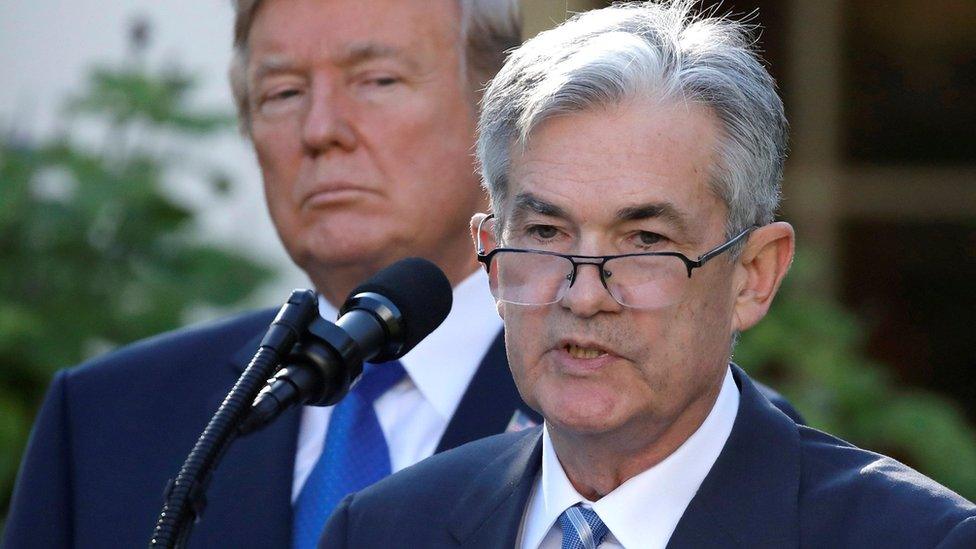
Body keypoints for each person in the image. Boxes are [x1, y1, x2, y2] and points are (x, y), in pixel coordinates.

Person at [2, 1, 799, 548]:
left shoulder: (654, 415)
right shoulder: (107, 420)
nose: (321, 131)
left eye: (375, 80)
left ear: (498, 107)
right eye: (281, 91)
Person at [318, 2, 976, 548]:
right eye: (546, 234)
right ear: (491, 257)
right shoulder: (383, 528)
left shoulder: (914, 537)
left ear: (753, 274)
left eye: (645, 241)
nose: (583, 294)